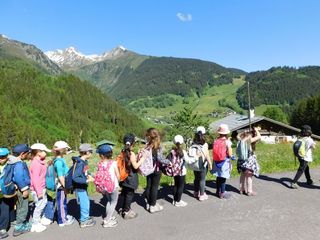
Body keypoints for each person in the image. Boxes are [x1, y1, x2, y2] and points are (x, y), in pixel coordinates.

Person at [143, 128, 170, 213]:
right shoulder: (158, 146)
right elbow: (160, 158)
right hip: (156, 169)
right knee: (154, 187)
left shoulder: (147, 145)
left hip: (148, 168)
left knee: (149, 186)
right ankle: (153, 205)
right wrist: (169, 162)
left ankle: (148, 203)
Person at [118, 134, 145, 219]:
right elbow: (136, 166)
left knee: (124, 193)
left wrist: (137, 156)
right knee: (129, 195)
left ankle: (122, 208)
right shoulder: (131, 153)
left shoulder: (123, 151)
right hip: (131, 178)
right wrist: (143, 158)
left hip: (124, 177)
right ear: (133, 144)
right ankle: (126, 211)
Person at [9, 144, 32, 237]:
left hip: (18, 189)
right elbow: (18, 178)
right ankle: (19, 228)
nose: (29, 154)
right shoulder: (18, 164)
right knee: (23, 207)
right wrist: (24, 189)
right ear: (22, 154)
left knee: (19, 206)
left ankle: (20, 222)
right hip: (21, 189)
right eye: (28, 153)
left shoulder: (12, 162)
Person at [94, 144, 119, 228]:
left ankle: (108, 216)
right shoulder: (114, 163)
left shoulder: (100, 164)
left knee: (108, 201)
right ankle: (107, 221)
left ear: (101, 155)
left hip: (104, 187)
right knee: (114, 202)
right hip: (113, 186)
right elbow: (118, 175)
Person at [72, 144, 96, 228]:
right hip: (80, 187)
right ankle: (83, 221)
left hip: (83, 186)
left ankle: (85, 217)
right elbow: (75, 177)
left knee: (86, 202)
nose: (92, 153)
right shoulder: (80, 163)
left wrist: (89, 175)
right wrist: (86, 180)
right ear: (87, 152)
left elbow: (85, 172)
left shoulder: (84, 162)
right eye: (91, 152)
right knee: (84, 203)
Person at [29, 143, 51, 233]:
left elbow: (42, 171)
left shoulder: (39, 162)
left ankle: (39, 219)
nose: (46, 153)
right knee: (39, 206)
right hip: (38, 189)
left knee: (43, 203)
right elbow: (35, 179)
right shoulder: (35, 164)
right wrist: (39, 192)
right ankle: (35, 224)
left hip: (41, 188)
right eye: (44, 151)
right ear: (39, 152)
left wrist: (48, 165)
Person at [52, 141, 75, 227]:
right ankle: (62, 220)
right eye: (65, 148)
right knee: (61, 203)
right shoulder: (58, 162)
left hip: (62, 185)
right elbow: (60, 176)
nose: (67, 149)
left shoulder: (60, 159)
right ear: (61, 150)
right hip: (61, 186)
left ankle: (64, 216)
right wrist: (65, 187)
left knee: (63, 201)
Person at [236, 127, 261, 196]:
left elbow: (237, 136)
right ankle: (249, 191)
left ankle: (241, 189)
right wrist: (256, 130)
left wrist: (243, 132)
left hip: (241, 162)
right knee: (249, 177)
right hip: (249, 163)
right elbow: (259, 136)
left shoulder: (240, 140)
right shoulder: (249, 141)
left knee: (242, 175)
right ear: (249, 135)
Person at [212, 124, 233, 199]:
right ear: (227, 133)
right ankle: (222, 193)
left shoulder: (216, 141)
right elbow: (230, 154)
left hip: (216, 161)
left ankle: (217, 191)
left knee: (218, 176)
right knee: (223, 177)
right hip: (224, 161)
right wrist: (232, 157)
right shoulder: (227, 142)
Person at [165, 135, 188, 207]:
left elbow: (167, 160)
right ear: (182, 142)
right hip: (181, 171)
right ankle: (178, 201)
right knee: (180, 186)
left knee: (176, 185)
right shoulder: (183, 151)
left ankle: (174, 200)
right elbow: (188, 160)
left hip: (174, 171)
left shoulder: (172, 151)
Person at [191, 126, 211, 201]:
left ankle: (196, 192)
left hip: (195, 163)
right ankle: (202, 195)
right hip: (202, 164)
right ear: (204, 134)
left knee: (196, 178)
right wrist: (210, 163)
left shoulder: (193, 143)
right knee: (202, 179)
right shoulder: (205, 144)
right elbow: (207, 155)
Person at [0, 147, 15, 239]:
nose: (0, 159)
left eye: (2, 157)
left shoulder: (10, 165)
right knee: (3, 208)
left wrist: (15, 184)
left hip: (9, 188)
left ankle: (12, 219)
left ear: (7, 157)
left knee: (11, 204)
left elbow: (13, 175)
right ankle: (2, 228)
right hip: (1, 191)